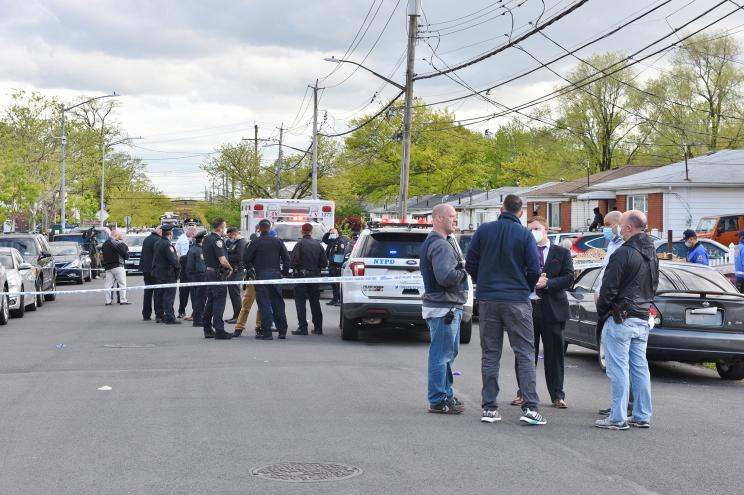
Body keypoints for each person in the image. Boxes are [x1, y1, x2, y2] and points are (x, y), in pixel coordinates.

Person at [465, 194, 546, 426]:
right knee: (525, 353)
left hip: (489, 299)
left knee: (490, 353)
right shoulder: (524, 235)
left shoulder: (484, 231)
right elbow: (534, 268)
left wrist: (484, 282)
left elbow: (471, 263)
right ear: (520, 213)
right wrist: (525, 287)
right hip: (517, 300)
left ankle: (489, 407)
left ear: (501, 209)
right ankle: (530, 407)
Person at [595, 210, 659, 430]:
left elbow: (609, 288)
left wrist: (602, 309)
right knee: (640, 367)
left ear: (629, 228)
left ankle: (617, 417)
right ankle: (642, 414)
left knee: (619, 369)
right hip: (642, 316)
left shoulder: (623, 253)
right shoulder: (652, 253)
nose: (619, 229)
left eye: (621, 226)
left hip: (621, 317)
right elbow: (654, 285)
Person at [511, 217, 574, 409]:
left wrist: (548, 283)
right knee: (524, 352)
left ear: (546, 230)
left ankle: (557, 395)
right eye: (529, 230)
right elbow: (513, 276)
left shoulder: (561, 252)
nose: (533, 233)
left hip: (552, 309)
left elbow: (569, 278)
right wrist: (532, 281)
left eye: (537, 229)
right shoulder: (520, 252)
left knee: (554, 354)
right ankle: (523, 392)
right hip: (527, 308)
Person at [420, 204, 469, 414]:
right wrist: (464, 271)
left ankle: (446, 394)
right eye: (451, 216)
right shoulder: (440, 245)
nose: (455, 220)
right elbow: (446, 277)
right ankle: (438, 399)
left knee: (446, 354)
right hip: (444, 307)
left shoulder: (441, 242)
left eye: (455, 216)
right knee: (441, 355)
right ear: (438, 218)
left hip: (444, 306)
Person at [593, 210, 633, 417]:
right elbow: (605, 273)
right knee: (614, 362)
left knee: (621, 362)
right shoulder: (612, 245)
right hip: (607, 306)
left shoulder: (626, 248)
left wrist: (604, 298)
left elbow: (616, 280)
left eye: (608, 224)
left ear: (619, 224)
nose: (604, 228)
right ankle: (619, 402)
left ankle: (624, 407)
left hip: (617, 309)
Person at [243, 219, 290, 340]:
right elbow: (286, 258)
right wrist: (283, 272)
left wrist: (251, 271)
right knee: (278, 303)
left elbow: (246, 259)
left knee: (264, 304)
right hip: (275, 275)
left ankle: (267, 332)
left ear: (259, 228)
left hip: (261, 275)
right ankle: (282, 331)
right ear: (270, 228)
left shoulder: (255, 242)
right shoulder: (278, 241)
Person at [291, 223, 328, 335]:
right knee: (315, 302)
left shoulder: (299, 245)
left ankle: (303, 328)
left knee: (300, 302)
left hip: (301, 277)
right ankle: (318, 327)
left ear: (302, 231)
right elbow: (324, 263)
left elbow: (293, 262)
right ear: (311, 232)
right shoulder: (318, 245)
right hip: (315, 276)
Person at [201, 218, 234, 339]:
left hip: (209, 272)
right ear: (220, 228)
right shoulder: (217, 241)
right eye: (224, 226)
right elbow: (223, 260)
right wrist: (231, 268)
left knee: (210, 301)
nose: (225, 229)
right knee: (219, 301)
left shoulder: (207, 239)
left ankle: (207, 328)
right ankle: (219, 330)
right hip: (217, 274)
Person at [152, 225, 181, 325]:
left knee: (160, 294)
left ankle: (159, 315)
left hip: (159, 273)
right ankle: (169, 316)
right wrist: (178, 268)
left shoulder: (158, 242)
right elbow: (173, 260)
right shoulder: (167, 244)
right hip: (168, 273)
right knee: (169, 295)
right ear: (171, 233)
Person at [140, 226, 163, 321]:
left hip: (146, 269)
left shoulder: (147, 239)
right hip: (154, 270)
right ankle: (158, 314)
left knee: (148, 292)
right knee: (157, 293)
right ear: (160, 231)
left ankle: (146, 314)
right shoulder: (158, 240)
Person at [225, 227, 248, 324]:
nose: (229, 238)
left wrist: (226, 257)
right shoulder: (235, 243)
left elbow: (239, 257)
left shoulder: (241, 242)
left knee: (235, 293)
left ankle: (238, 316)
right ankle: (235, 315)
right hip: (233, 270)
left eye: (229, 236)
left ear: (233, 233)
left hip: (238, 270)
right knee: (232, 293)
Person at [102, 229, 130, 306]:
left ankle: (108, 301)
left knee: (108, 285)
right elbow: (125, 254)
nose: (121, 236)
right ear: (116, 235)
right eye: (120, 235)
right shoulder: (116, 243)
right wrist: (126, 255)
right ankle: (123, 300)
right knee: (122, 283)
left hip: (108, 267)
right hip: (118, 266)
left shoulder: (105, 243)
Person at [322, 228, 350, 306]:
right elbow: (324, 239)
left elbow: (340, 254)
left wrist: (337, 265)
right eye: (331, 234)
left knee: (337, 284)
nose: (332, 235)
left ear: (337, 233)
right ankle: (334, 299)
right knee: (333, 284)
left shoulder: (339, 241)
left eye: (333, 233)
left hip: (336, 266)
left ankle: (339, 300)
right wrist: (328, 233)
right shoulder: (331, 242)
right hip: (331, 265)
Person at [175, 226, 197, 319]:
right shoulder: (181, 239)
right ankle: (181, 311)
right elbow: (176, 252)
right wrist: (180, 258)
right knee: (183, 292)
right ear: (188, 232)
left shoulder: (196, 240)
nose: (193, 235)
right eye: (192, 234)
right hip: (184, 268)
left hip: (194, 269)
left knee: (194, 292)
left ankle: (195, 312)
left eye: (194, 234)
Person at [186, 231, 207, 327]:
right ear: (202, 240)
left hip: (197, 277)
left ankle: (198, 317)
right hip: (199, 277)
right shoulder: (197, 250)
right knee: (200, 299)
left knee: (198, 299)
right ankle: (198, 320)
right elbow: (196, 266)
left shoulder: (195, 249)